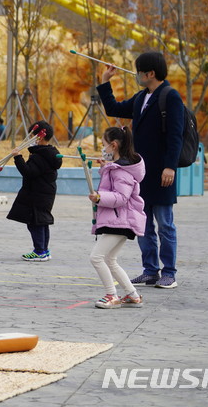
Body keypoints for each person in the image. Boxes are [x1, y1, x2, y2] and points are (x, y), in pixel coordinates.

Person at [96, 52, 184, 289]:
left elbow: (176, 136)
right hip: (141, 173)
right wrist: (105, 81)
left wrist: (170, 166)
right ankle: (150, 270)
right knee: (143, 223)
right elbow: (114, 108)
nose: (136, 76)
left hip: (162, 172)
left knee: (165, 224)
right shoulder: (141, 97)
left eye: (138, 71)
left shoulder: (170, 96)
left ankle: (169, 273)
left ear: (150, 73)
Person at [88, 126, 146, 309]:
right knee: (110, 259)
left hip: (120, 220)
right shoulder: (118, 167)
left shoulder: (122, 170)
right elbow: (113, 186)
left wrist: (99, 198)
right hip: (119, 220)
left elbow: (121, 197)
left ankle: (111, 295)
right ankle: (132, 295)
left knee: (96, 257)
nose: (103, 149)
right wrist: (105, 168)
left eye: (104, 145)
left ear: (113, 145)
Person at [6, 121, 62, 262]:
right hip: (46, 193)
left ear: (40, 138)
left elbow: (28, 172)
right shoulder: (50, 153)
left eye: (32, 136)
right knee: (42, 221)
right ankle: (44, 250)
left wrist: (18, 157)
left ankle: (39, 251)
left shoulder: (39, 155)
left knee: (35, 222)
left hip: (37, 194)